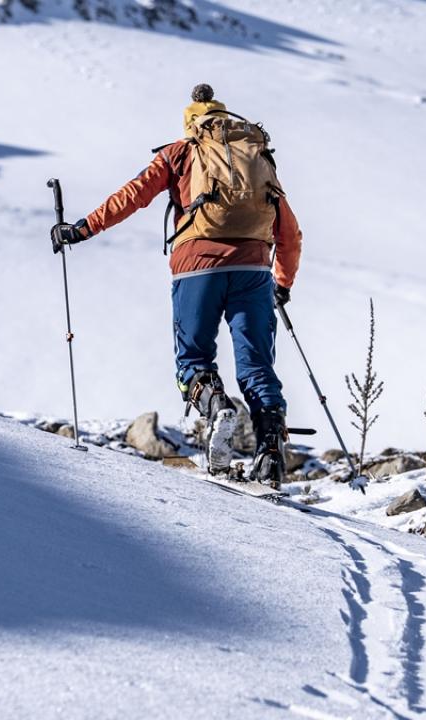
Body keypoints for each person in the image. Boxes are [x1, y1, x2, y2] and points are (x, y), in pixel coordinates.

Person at [50, 83, 302, 488]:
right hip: (254, 270)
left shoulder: (180, 153)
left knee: (194, 359)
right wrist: (282, 283)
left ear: (191, 125)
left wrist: (82, 229)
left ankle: (216, 407)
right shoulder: (256, 155)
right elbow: (289, 231)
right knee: (257, 366)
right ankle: (270, 453)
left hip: (196, 267)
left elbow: (133, 195)